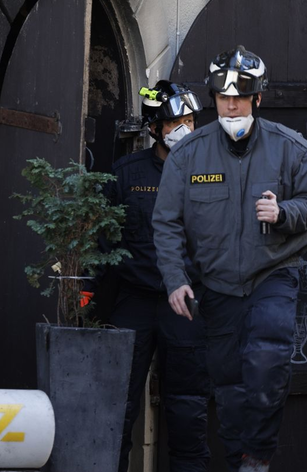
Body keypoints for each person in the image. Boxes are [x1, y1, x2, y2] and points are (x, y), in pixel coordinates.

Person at [153, 46, 307, 472]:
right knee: (229, 387)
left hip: (273, 274)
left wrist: (284, 213)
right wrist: (176, 278)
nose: (232, 104)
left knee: (268, 361)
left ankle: (258, 455)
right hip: (217, 285)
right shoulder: (187, 156)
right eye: (223, 96)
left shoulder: (291, 148)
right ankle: (242, 462)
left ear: (258, 98)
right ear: (213, 98)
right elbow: (167, 223)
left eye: (241, 96)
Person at [103, 81, 211, 472]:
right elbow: (104, 243)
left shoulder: (212, 174)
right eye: (175, 121)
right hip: (134, 301)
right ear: (154, 129)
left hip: (185, 302)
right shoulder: (126, 174)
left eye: (190, 119)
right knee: (116, 405)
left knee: (188, 407)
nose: (185, 127)